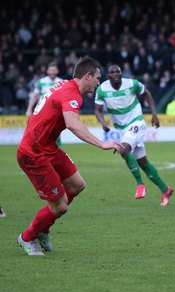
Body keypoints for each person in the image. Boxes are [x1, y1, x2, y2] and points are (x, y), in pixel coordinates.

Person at [17, 57, 124, 256]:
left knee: (77, 185)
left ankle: (43, 228)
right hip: (33, 153)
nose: (99, 82)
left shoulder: (66, 85)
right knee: (60, 205)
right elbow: (73, 124)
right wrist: (102, 143)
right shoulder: (70, 93)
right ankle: (27, 237)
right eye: (97, 78)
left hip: (47, 147)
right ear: (87, 76)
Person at [95, 64, 173, 206]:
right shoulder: (102, 89)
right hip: (122, 129)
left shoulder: (132, 84)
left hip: (136, 122)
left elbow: (147, 94)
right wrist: (103, 122)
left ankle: (140, 184)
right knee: (142, 162)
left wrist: (154, 114)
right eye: (112, 72)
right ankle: (165, 190)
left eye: (118, 71)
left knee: (123, 149)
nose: (116, 74)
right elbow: (98, 110)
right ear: (108, 76)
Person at [26, 62, 63, 146]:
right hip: (43, 111)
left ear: (57, 71)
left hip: (57, 111)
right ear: (47, 71)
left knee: (57, 132)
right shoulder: (41, 82)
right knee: (41, 131)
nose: (52, 72)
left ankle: (58, 152)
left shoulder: (61, 82)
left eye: (54, 70)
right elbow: (34, 96)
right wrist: (29, 109)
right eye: (51, 70)